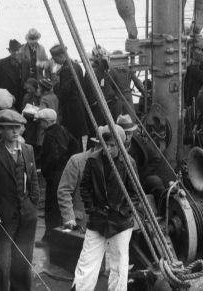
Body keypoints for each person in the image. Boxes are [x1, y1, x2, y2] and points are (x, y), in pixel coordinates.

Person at [73, 124, 138, 291]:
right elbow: (85, 187)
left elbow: (135, 194)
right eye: (104, 145)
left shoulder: (129, 163)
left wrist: (123, 212)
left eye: (112, 145)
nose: (107, 149)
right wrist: (92, 209)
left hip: (120, 222)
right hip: (98, 219)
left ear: (121, 145)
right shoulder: (93, 160)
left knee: (119, 265)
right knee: (87, 261)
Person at [0, 109, 39, 291]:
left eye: (18, 127)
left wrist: (33, 203)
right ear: (0, 130)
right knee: (2, 261)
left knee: (23, 258)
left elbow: (33, 179)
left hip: (27, 215)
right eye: (10, 128)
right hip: (3, 217)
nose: (15, 131)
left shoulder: (28, 150)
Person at [38, 108, 80, 244]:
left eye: (40, 121)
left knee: (51, 207)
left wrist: (45, 170)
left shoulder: (49, 135)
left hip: (55, 175)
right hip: (65, 172)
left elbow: (53, 156)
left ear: (45, 122)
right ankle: (61, 236)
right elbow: (75, 145)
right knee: (63, 205)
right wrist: (69, 161)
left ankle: (49, 237)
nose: (39, 124)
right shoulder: (63, 129)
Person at [57, 128, 105, 231]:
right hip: (80, 222)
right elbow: (64, 191)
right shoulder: (77, 161)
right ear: (98, 146)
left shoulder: (112, 163)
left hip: (104, 223)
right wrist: (69, 218)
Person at [51, 44, 90, 149]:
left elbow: (64, 92)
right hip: (79, 105)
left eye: (55, 59)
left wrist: (55, 86)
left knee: (72, 136)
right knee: (78, 137)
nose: (54, 62)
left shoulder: (66, 70)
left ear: (61, 56)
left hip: (71, 109)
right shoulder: (76, 66)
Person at [0, 39, 24, 111]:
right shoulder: (0, 64)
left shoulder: (26, 63)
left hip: (21, 101)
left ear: (21, 50)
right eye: (13, 50)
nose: (15, 52)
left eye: (17, 50)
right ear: (9, 51)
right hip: (5, 101)